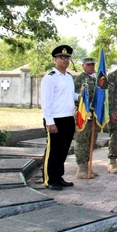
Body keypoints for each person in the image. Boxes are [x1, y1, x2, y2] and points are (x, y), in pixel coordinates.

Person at [40, 45, 78, 190]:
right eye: (62, 58)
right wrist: (49, 121)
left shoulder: (68, 77)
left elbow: (70, 95)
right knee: (53, 150)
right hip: (55, 119)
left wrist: (82, 96)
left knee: (63, 150)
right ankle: (49, 179)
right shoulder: (50, 78)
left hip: (68, 118)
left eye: (68, 58)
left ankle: (58, 176)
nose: (65, 60)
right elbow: (46, 101)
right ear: (56, 59)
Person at [73, 57, 99, 179]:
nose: (91, 67)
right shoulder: (80, 79)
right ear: (83, 65)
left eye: (93, 65)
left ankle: (87, 166)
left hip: (94, 115)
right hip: (83, 115)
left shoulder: (95, 79)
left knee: (91, 141)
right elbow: (76, 96)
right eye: (88, 65)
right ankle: (81, 168)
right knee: (82, 141)